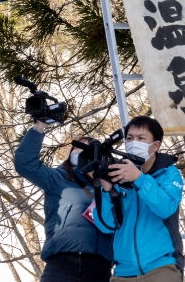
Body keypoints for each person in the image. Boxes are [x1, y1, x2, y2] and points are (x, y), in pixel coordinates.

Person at [14, 120, 113, 282]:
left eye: (85, 149)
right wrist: (39, 127)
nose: (78, 152)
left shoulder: (109, 185)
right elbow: (25, 164)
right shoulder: (57, 178)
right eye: (75, 148)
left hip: (99, 268)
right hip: (62, 264)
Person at [94, 116, 183, 282]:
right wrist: (107, 191)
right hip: (122, 272)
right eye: (129, 138)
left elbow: (166, 207)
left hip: (161, 269)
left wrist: (139, 178)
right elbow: (105, 226)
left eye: (141, 138)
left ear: (155, 145)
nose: (134, 142)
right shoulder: (118, 174)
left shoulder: (169, 173)